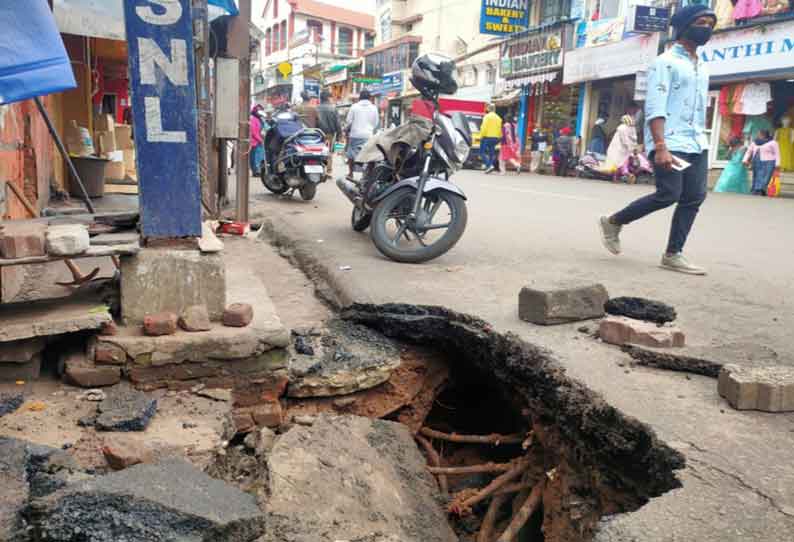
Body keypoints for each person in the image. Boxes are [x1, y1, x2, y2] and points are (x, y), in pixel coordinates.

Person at [598, 5, 717, 275]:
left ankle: (673, 254)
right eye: (701, 22)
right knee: (669, 194)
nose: (707, 28)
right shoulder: (665, 63)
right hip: (670, 141)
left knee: (694, 197)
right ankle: (614, 221)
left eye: (711, 23)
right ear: (685, 25)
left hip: (697, 141)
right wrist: (660, 145)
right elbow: (656, 106)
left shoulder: (703, 66)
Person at [344, 89, 379, 180]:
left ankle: (351, 173)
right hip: (368, 135)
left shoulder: (354, 107)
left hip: (355, 134)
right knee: (369, 155)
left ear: (360, 97)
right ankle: (367, 175)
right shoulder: (374, 108)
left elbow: (348, 121)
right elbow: (376, 123)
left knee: (351, 154)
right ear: (370, 98)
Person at [743, 129, 780, 195]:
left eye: (760, 134)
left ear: (764, 135)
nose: (758, 135)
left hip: (769, 161)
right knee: (757, 175)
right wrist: (745, 160)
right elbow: (749, 152)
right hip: (756, 160)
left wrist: (777, 164)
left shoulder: (773, 142)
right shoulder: (755, 142)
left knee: (767, 176)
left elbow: (777, 153)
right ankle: (757, 189)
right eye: (759, 134)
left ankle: (762, 189)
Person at [316, 90, 342, 175]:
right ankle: (329, 171)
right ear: (328, 98)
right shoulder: (333, 108)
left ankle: (320, 169)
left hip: (318, 133)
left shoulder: (316, 108)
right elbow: (338, 124)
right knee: (329, 152)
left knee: (319, 151)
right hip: (330, 134)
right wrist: (339, 135)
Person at [480, 104, 502, 173]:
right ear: (494, 109)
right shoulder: (498, 118)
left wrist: (482, 136)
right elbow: (499, 129)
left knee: (482, 152)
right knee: (491, 153)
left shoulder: (487, 117)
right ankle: (489, 167)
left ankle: (489, 166)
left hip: (487, 137)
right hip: (495, 138)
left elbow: (484, 127)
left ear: (488, 109)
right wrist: (498, 137)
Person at [249, 104, 265, 175]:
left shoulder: (260, 119)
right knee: (254, 157)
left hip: (259, 141)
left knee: (260, 157)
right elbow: (253, 132)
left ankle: (259, 170)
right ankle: (255, 171)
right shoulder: (253, 119)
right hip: (254, 142)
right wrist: (260, 140)